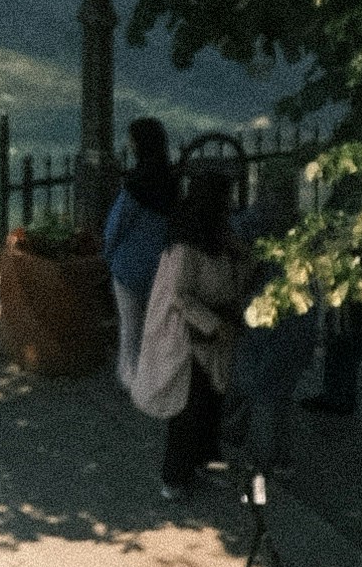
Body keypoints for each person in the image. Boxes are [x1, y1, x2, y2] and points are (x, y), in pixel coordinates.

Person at [130, 167, 251, 495]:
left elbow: (232, 276)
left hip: (215, 333)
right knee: (188, 409)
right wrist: (213, 324)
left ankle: (206, 461)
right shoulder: (184, 246)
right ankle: (174, 476)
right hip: (188, 337)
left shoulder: (218, 236)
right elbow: (179, 296)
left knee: (212, 401)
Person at [102, 120, 182, 395]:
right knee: (154, 327)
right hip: (160, 266)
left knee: (130, 331)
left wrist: (108, 255)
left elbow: (116, 226)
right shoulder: (171, 181)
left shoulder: (135, 185)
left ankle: (132, 382)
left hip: (129, 268)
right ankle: (156, 378)